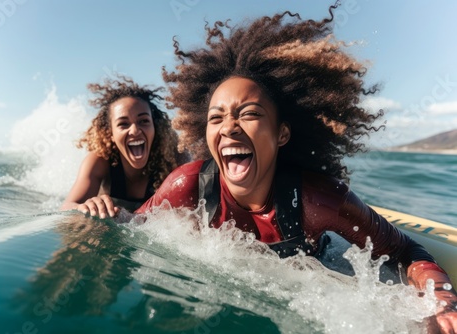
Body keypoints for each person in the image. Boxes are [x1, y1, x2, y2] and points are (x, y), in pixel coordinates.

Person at [133, 4, 457, 333]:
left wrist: (442, 302)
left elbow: (403, 249)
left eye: (248, 113)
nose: (228, 127)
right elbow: (132, 228)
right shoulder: (188, 186)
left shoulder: (318, 201)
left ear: (281, 133)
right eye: (216, 118)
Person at [61, 75, 187, 217]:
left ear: (155, 126)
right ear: (111, 133)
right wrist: (86, 207)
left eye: (144, 121)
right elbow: (67, 207)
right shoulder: (100, 160)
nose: (135, 130)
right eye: (123, 124)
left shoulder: (173, 158)